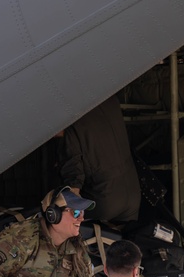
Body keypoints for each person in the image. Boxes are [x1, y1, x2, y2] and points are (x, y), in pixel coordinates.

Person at [56, 95, 142, 224]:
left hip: (105, 200)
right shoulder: (109, 98)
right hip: (134, 194)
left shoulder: (72, 127)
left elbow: (73, 179)